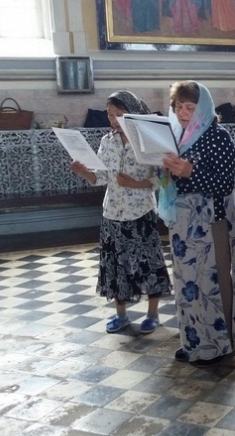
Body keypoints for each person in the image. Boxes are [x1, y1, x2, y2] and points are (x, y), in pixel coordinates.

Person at [159, 80, 235, 365]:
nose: (183, 113)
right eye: (179, 107)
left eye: (190, 108)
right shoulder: (175, 136)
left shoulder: (218, 136)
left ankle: (222, 345)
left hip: (213, 221)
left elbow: (224, 184)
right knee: (188, 282)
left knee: (213, 280)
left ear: (204, 109)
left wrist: (190, 171)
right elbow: (169, 180)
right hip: (183, 223)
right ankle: (195, 342)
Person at [70, 90, 171, 334]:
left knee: (148, 264)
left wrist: (135, 184)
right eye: (109, 114)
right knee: (115, 267)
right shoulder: (107, 142)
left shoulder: (147, 141)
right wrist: (84, 172)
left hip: (141, 212)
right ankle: (121, 315)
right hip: (112, 212)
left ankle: (152, 315)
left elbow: (163, 180)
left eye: (119, 113)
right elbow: (101, 177)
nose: (114, 119)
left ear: (133, 113)